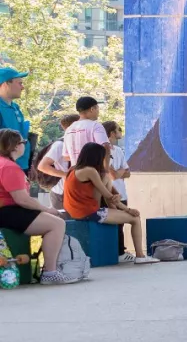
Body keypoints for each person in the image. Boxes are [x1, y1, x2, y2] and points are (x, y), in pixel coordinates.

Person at [0, 129, 77, 284]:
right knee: (56, 224)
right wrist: (47, 209)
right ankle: (50, 272)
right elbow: (22, 200)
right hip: (7, 211)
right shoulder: (9, 167)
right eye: (24, 142)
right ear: (15, 146)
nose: (25, 145)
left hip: (7, 211)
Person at [63, 143, 158, 264]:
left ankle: (116, 214)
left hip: (75, 211)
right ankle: (140, 256)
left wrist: (116, 196)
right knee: (135, 218)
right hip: (88, 212)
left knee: (106, 178)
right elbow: (107, 194)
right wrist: (128, 210)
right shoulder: (90, 171)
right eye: (105, 157)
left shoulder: (73, 169)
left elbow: (109, 191)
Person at [35, 113, 80, 211]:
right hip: (61, 193)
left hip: (74, 191)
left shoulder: (76, 143)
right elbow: (42, 166)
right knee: (62, 219)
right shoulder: (60, 145)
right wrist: (66, 175)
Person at [104, 121, 133, 259]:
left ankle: (121, 252)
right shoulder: (103, 151)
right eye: (119, 129)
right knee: (113, 224)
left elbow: (128, 173)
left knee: (121, 224)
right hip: (110, 193)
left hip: (122, 193)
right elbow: (112, 175)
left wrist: (119, 172)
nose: (121, 132)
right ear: (112, 133)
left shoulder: (119, 150)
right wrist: (120, 171)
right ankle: (117, 253)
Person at [0, 68, 31, 173]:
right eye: (19, 83)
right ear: (6, 84)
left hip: (22, 165)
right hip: (5, 168)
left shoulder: (15, 107)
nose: (23, 87)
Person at [64, 96, 110, 168]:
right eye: (97, 108)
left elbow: (66, 156)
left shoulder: (69, 129)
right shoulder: (95, 126)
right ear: (92, 109)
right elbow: (105, 147)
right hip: (92, 170)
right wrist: (106, 169)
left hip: (75, 172)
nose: (98, 112)